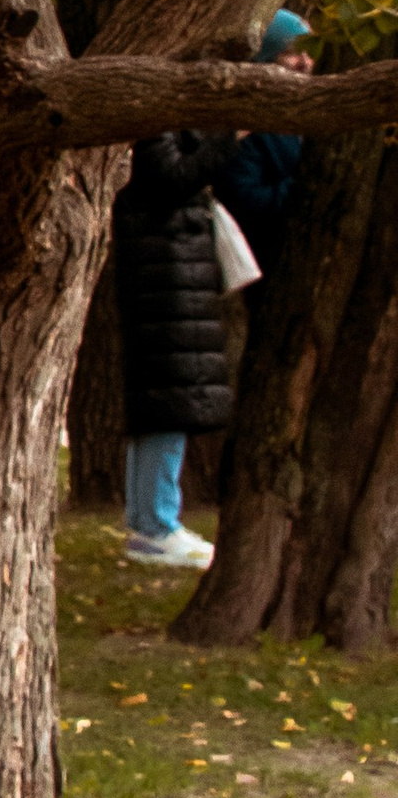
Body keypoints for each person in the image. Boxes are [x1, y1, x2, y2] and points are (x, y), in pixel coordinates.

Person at [111, 128, 238, 570]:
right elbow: (169, 178)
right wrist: (227, 139)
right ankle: (155, 524)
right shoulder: (152, 123)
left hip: (169, 267)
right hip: (162, 270)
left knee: (165, 398)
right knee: (169, 397)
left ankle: (150, 518)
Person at [218, 9, 314, 272]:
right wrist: (304, 185)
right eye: (293, 53)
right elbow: (245, 197)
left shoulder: (301, 113)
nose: (305, 62)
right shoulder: (248, 123)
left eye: (310, 52)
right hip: (262, 258)